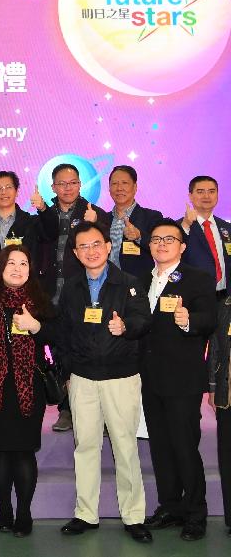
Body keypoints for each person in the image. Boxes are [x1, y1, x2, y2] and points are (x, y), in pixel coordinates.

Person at [49, 221, 152, 543]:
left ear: (108, 246)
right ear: (77, 253)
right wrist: (67, 371)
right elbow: (63, 332)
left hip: (121, 377)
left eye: (96, 244)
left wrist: (126, 328)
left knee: (125, 447)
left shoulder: (129, 283)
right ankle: (85, 513)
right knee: (86, 447)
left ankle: (134, 516)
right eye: (83, 247)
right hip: (82, 378)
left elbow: (142, 319)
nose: (90, 251)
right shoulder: (73, 287)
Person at [139, 219, 217, 541]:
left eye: (169, 239)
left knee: (185, 446)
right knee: (160, 447)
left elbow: (209, 318)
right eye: (156, 239)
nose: (161, 244)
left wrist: (189, 320)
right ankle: (170, 506)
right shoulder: (140, 279)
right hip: (150, 378)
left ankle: (195, 512)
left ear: (182, 246)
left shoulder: (197, 278)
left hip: (182, 379)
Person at [0, 245, 56, 538]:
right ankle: (4, 509)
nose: (17, 268)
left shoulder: (39, 301)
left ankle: (23, 512)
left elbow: (59, 335)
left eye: (24, 263)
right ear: (0, 267)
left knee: (23, 452)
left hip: (28, 388)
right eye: (11, 263)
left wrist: (36, 326)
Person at [30, 164, 111, 432]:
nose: (67, 188)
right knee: (56, 351)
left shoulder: (93, 212)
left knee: (82, 348)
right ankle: (65, 407)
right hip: (49, 293)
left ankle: (86, 408)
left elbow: (104, 248)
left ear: (80, 185)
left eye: (72, 182)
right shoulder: (44, 213)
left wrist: (95, 224)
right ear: (53, 187)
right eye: (61, 184)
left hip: (83, 294)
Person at [106, 166, 163, 278]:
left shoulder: (151, 216)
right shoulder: (102, 218)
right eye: (114, 184)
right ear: (109, 188)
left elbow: (161, 248)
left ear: (135, 187)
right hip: (107, 286)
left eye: (124, 183)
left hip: (138, 286)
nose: (119, 188)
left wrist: (139, 236)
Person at [180, 175, 230, 300]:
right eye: (200, 192)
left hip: (226, 300)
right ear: (190, 196)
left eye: (212, 191)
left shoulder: (227, 228)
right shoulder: (178, 227)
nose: (207, 196)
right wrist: (186, 225)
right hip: (194, 300)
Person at [208, 295, 231, 538]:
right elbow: (214, 346)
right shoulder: (224, 307)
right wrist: (213, 387)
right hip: (227, 392)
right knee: (227, 456)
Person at [0, 171, 38, 260]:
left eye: (8, 187)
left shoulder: (30, 222)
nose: (3, 192)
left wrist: (42, 208)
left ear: (17, 191)